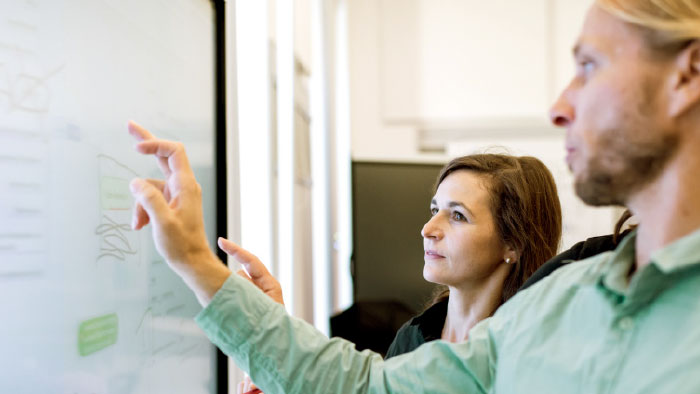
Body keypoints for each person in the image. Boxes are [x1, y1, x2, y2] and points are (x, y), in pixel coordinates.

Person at [127, 1, 700, 392]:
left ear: (687, 75)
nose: (559, 106)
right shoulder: (563, 303)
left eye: (590, 66)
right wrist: (198, 264)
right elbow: (364, 386)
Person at [385, 154, 562, 358]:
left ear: (513, 244)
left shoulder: (530, 354)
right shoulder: (409, 340)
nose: (427, 229)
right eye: (435, 210)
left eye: (458, 216)